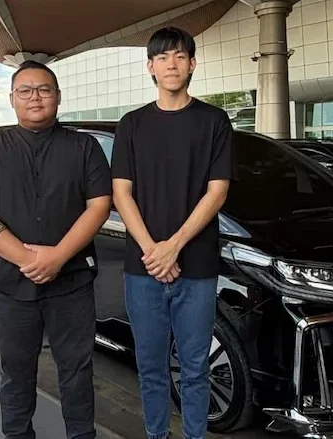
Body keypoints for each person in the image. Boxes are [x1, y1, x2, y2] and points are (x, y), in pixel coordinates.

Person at [0, 60, 112, 439]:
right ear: (12, 98)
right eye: (25, 90)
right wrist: (29, 259)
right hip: (10, 285)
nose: (35, 97)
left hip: (72, 283)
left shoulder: (84, 147)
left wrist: (58, 257)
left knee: (77, 373)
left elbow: (99, 205)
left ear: (57, 97)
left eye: (44, 89)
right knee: (15, 373)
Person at [110, 27, 235, 439]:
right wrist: (153, 251)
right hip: (142, 268)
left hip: (196, 267)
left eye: (180, 56)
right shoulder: (131, 124)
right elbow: (121, 193)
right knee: (150, 366)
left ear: (193, 63)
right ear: (150, 66)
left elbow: (217, 192)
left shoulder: (214, 121)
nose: (172, 64)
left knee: (196, 367)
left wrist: (174, 247)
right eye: (162, 57)